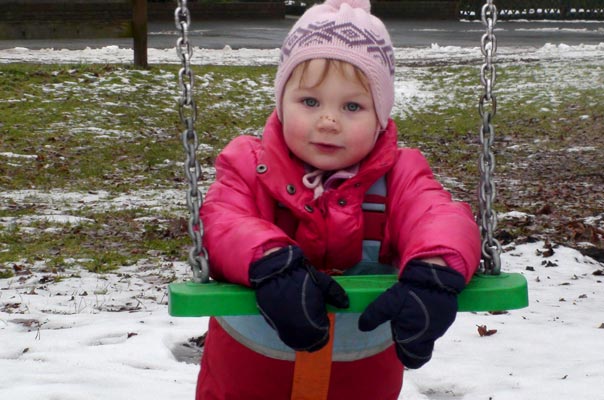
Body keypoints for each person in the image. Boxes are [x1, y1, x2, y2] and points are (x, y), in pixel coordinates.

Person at [195, 0, 481, 398]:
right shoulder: (249, 165)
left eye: (352, 106)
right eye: (310, 102)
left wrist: (435, 268)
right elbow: (222, 218)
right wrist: (270, 262)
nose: (328, 121)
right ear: (281, 103)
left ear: (380, 116)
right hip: (251, 368)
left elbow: (438, 214)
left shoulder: (399, 175)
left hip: (360, 373)